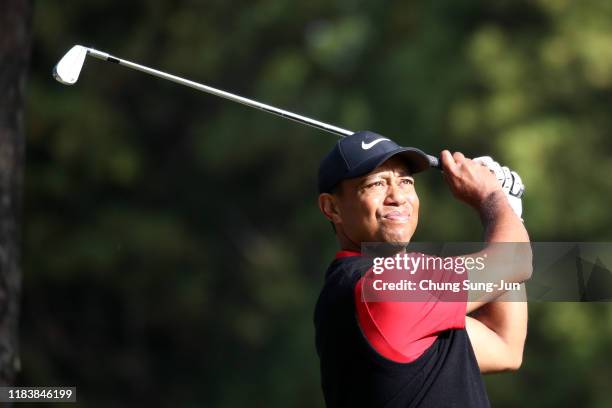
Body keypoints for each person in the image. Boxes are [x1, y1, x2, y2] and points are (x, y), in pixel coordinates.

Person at [314, 130, 530, 407]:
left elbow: (504, 345)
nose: (397, 197)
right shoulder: (380, 286)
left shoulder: (366, 292)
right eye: (376, 184)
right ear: (331, 208)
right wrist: (491, 196)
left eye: (405, 181)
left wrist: (509, 209)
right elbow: (513, 262)